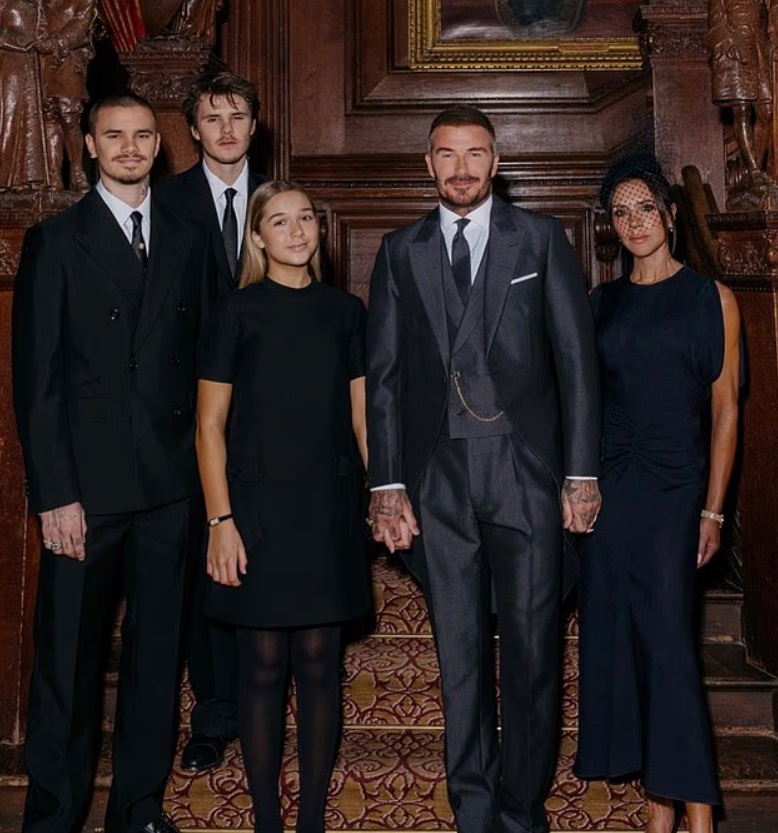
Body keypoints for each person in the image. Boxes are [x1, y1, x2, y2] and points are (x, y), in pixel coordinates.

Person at [365, 104, 602, 833]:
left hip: (524, 472)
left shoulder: (541, 238)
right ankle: (473, 805)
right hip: (437, 477)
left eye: (475, 154)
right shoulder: (399, 251)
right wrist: (387, 484)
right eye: (447, 154)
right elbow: (384, 377)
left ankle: (522, 807)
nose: (461, 168)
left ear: (496, 162)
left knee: (532, 651)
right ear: (428, 164)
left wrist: (581, 473)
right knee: (459, 651)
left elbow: (577, 363)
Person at [12, 92, 214, 833]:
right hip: (84, 493)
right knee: (67, 661)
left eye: (142, 135)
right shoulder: (56, 241)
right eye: (114, 135)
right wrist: (54, 494)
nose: (130, 147)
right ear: (90, 146)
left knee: (155, 660)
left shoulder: (190, 237)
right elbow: (37, 384)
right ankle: (53, 816)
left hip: (169, 485)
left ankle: (139, 809)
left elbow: (207, 362)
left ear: (160, 146)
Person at [196, 180, 370, 833]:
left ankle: (312, 821)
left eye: (305, 219)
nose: (296, 231)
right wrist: (220, 521)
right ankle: (267, 820)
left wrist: (384, 493)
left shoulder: (345, 311)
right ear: (258, 237)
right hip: (256, 511)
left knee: (322, 663)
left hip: (326, 507)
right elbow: (209, 426)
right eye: (279, 221)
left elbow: (362, 416)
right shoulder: (235, 312)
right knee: (263, 665)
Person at [574, 156, 741, 833]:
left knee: (670, 646)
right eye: (621, 212)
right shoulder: (599, 304)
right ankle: (658, 806)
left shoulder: (712, 298)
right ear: (611, 227)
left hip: (676, 489)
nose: (634, 222)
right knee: (625, 644)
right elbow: (581, 404)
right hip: (611, 489)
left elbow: (725, 410)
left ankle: (697, 813)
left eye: (646, 207)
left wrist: (713, 508)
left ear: (670, 215)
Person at [156, 70, 264, 772]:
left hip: (271, 416)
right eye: (212, 118)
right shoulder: (165, 203)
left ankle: (264, 704)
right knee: (206, 565)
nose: (226, 130)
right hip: (190, 418)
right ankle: (215, 713)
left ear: (255, 126)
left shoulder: (283, 203)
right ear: (193, 129)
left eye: (238, 117)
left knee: (266, 561)